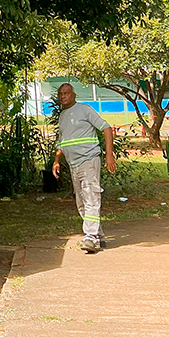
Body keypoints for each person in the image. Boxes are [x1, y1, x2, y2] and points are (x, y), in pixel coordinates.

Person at [52, 83, 116, 252]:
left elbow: (107, 128)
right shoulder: (64, 116)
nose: (63, 96)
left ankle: (91, 237)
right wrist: (56, 160)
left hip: (89, 160)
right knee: (81, 203)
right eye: (60, 94)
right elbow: (62, 142)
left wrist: (109, 154)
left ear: (73, 95)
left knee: (91, 197)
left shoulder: (84, 110)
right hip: (74, 164)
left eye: (66, 93)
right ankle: (99, 236)